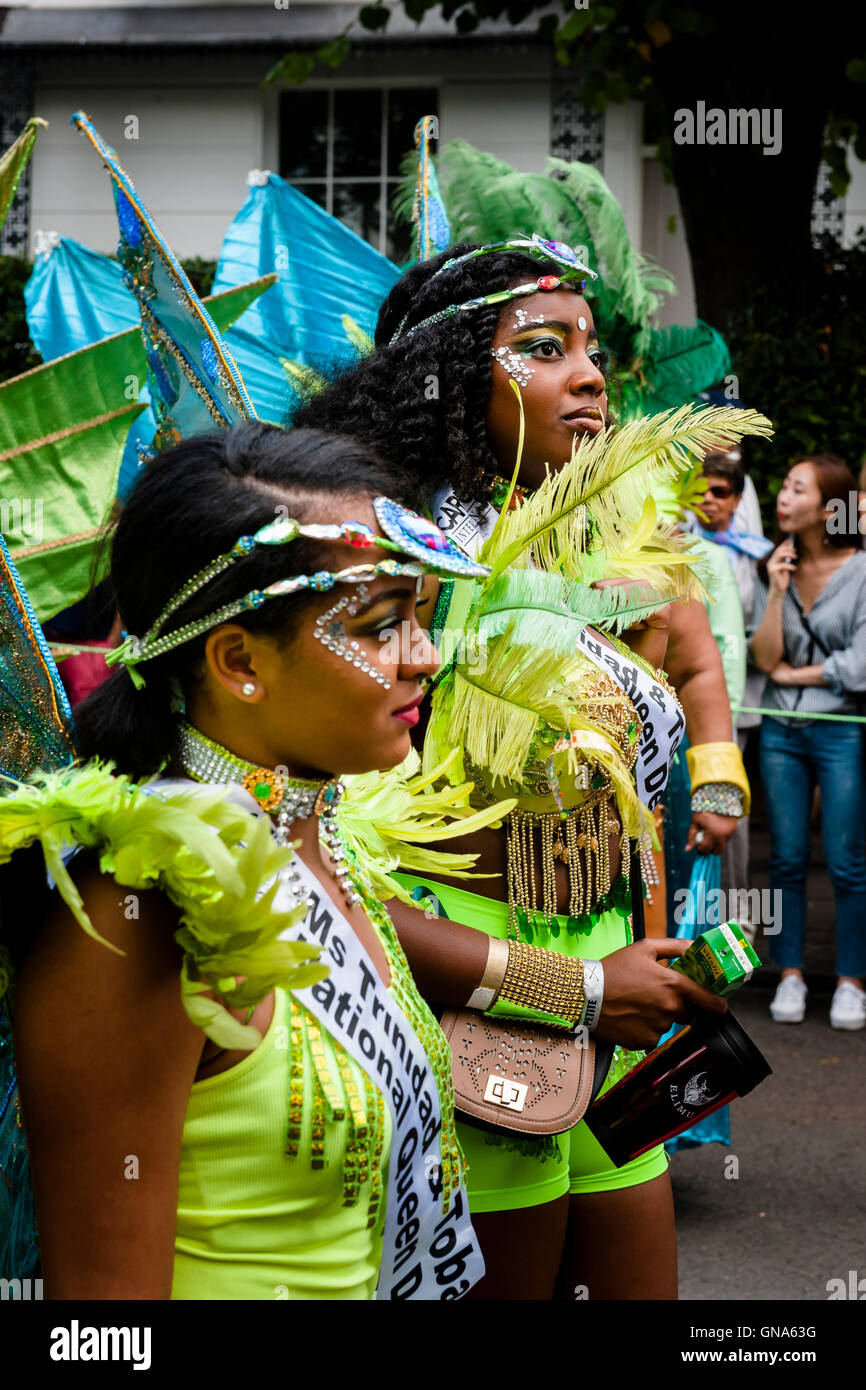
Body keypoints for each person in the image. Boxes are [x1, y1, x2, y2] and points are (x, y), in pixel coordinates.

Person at [295, 237, 765, 1298]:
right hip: (472, 1014)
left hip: (618, 1020)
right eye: (542, 348)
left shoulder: (593, 553)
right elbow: (334, 874)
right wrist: (577, 988)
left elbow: (638, 783)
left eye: (589, 349)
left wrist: (649, 960)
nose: (590, 376)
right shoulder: (394, 576)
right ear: (454, 376)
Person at [6, 422, 502, 1299]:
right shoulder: (143, 906)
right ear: (238, 662)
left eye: (421, 617)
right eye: (382, 626)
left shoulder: (321, 834)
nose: (424, 659)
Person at [751, 454, 866, 1030]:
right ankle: (790, 974)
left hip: (841, 729)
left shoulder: (862, 569)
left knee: (847, 862)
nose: (783, 497)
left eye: (798, 489)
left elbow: (861, 666)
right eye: (785, 485)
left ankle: (850, 982)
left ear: (829, 508)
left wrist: (797, 677)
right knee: (787, 858)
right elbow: (765, 657)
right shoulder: (778, 565)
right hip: (780, 731)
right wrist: (775, 591)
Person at [691, 450, 773, 935]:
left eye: (720, 492)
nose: (708, 500)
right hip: (699, 695)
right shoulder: (680, 546)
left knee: (728, 806)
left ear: (737, 500)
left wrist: (731, 705)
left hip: (737, 697)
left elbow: (742, 633)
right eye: (701, 490)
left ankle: (736, 913)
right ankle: (700, 915)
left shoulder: (756, 555)